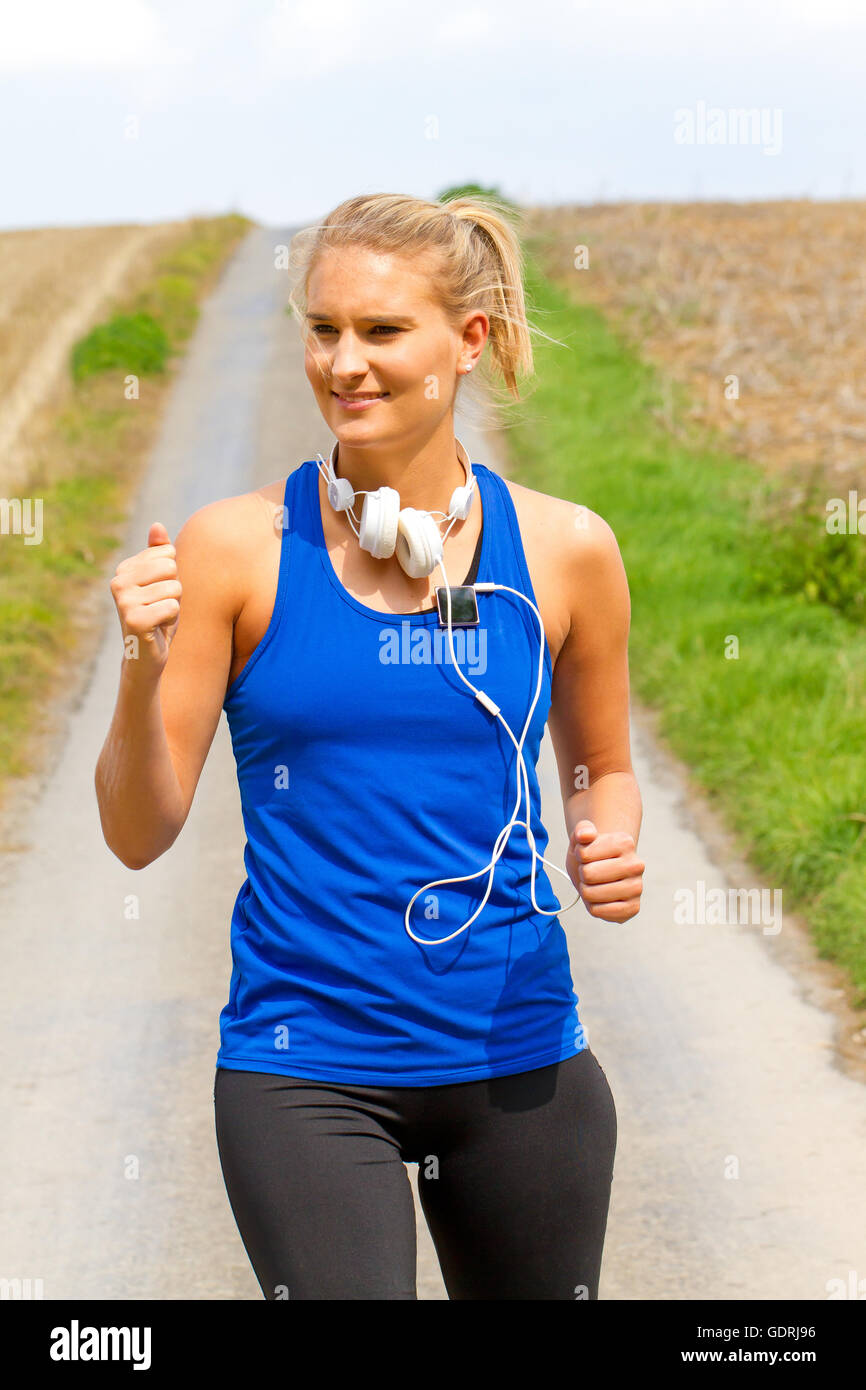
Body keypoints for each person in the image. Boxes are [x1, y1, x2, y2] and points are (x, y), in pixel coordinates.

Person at [95, 191, 644, 1300]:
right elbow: (138, 832)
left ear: (468, 340)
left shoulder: (566, 549)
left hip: (518, 1057)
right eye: (323, 329)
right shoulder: (235, 548)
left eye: (382, 331)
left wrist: (606, 836)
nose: (343, 362)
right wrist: (141, 665)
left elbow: (604, 768)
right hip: (301, 1072)